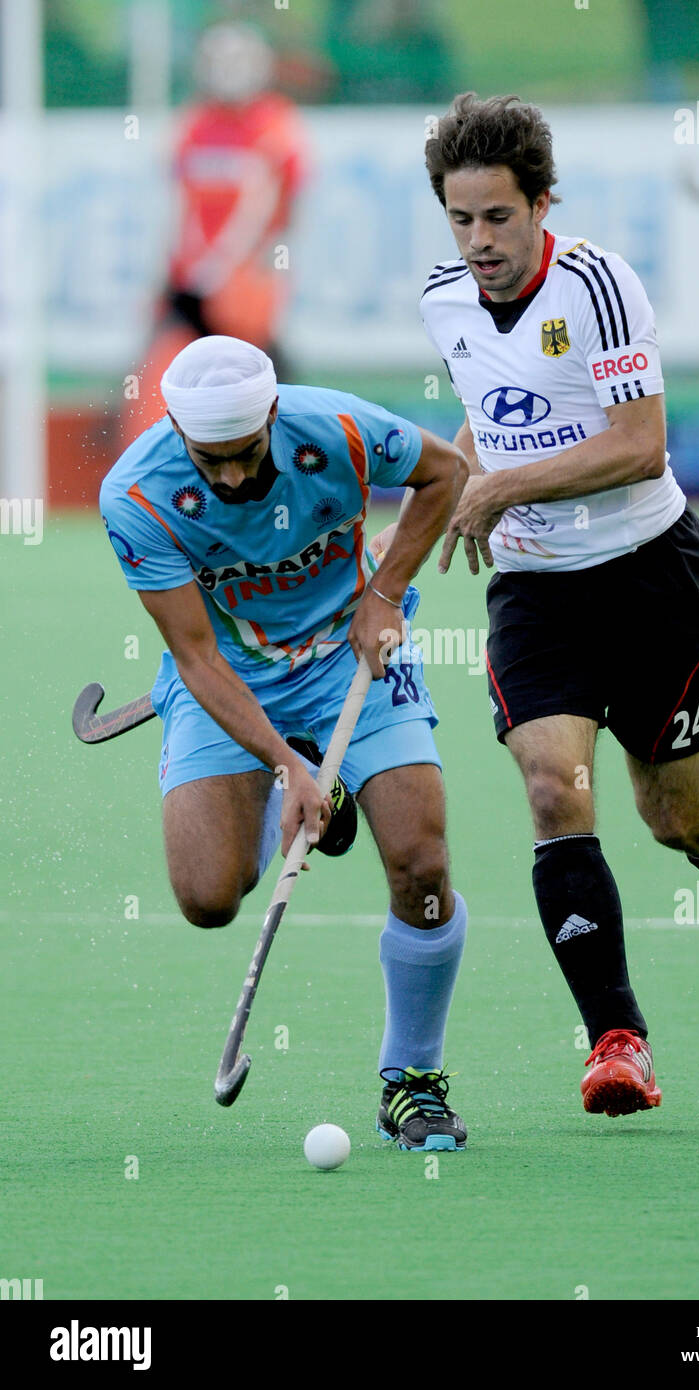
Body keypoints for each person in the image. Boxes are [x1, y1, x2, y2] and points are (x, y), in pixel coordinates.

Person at [401, 92, 699, 1118]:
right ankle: (615, 1039)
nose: (477, 243)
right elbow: (485, 418)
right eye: (459, 220)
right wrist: (415, 535)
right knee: (555, 790)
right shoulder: (443, 298)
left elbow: (639, 443)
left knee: (672, 814)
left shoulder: (598, 283)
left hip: (649, 574)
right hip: (533, 591)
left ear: (541, 203)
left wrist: (502, 484)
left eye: (497, 218)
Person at [100, 334, 469, 1151]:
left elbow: (445, 470)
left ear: (272, 414)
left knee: (422, 861)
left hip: (351, 652)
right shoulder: (137, 496)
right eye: (210, 460)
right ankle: (305, 794)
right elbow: (195, 654)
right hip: (231, 674)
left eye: (245, 456)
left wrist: (386, 590)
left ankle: (413, 1081)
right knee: (207, 896)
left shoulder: (336, 428)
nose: (230, 477)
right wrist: (286, 763)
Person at [118, 23, 309, 447]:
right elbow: (178, 207)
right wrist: (173, 271)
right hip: (189, 279)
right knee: (162, 374)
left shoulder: (274, 124)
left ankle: (293, 450)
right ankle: (149, 466)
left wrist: (242, 269)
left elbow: (277, 207)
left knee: (255, 378)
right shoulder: (194, 125)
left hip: (241, 285)